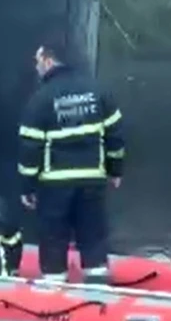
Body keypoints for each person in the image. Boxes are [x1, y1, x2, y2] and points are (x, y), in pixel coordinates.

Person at [17, 35, 125, 285]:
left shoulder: (40, 100)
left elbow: (30, 147)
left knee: (54, 238)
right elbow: (116, 135)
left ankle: (54, 295)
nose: (36, 66)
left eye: (37, 60)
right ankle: (99, 296)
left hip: (55, 184)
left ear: (48, 59)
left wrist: (27, 187)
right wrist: (115, 170)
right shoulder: (98, 91)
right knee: (94, 236)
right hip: (92, 180)